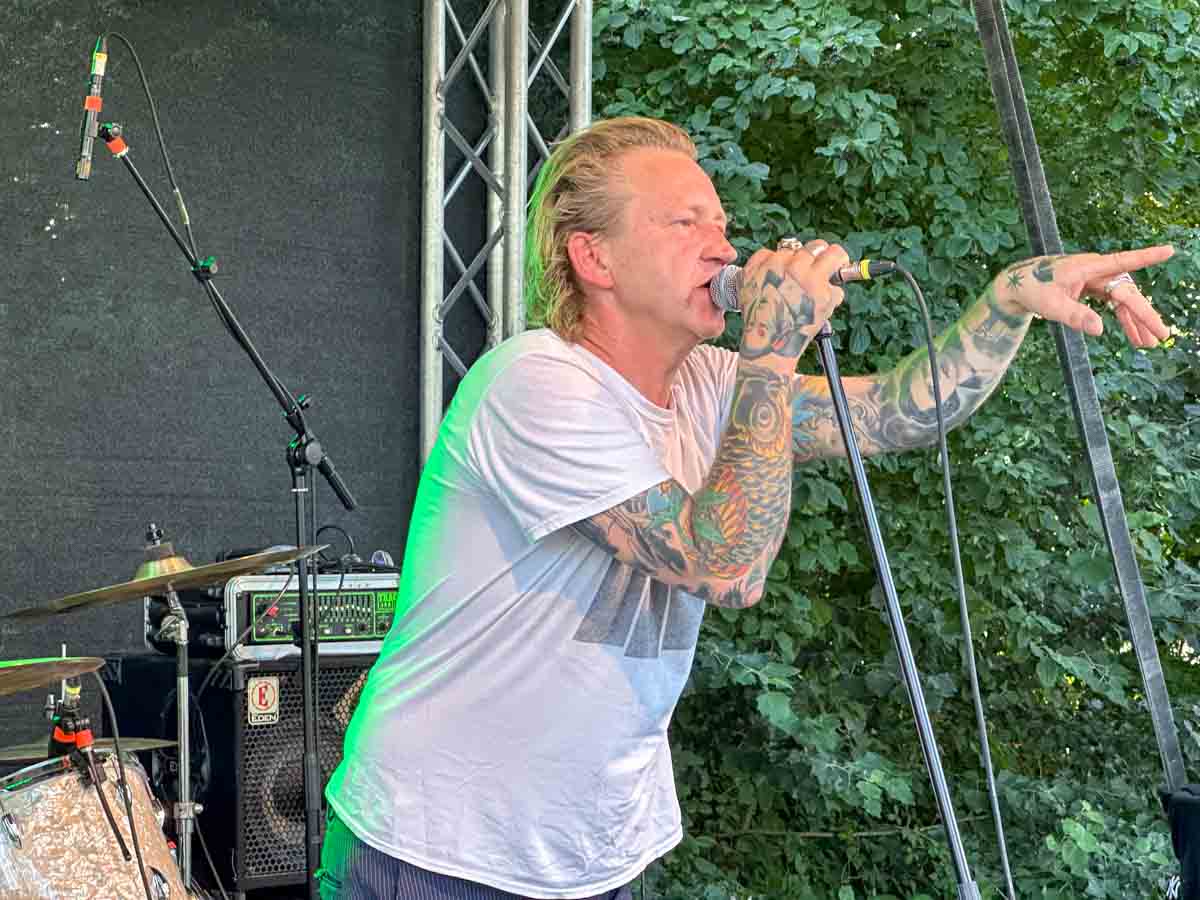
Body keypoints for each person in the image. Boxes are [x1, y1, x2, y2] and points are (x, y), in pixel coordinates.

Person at [318, 116, 1172, 899]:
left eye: (721, 223)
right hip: (435, 846)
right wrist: (770, 350)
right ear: (594, 259)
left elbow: (898, 413)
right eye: (684, 222)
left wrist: (1010, 297)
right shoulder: (534, 384)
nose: (724, 246)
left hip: (589, 848)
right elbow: (724, 565)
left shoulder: (708, 381)